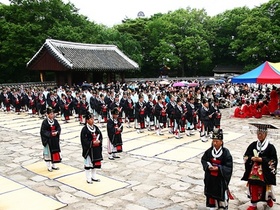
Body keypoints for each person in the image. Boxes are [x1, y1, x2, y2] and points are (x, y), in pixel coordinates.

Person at [241, 123, 278, 210]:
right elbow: (246, 156)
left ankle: (268, 199)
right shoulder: (253, 145)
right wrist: (252, 158)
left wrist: (262, 160)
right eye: (258, 133)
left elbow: (273, 160)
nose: (259, 135)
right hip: (253, 172)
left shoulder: (270, 147)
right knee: (253, 186)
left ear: (266, 134)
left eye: (261, 133)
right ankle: (254, 204)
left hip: (265, 172)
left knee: (266, 187)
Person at [201, 128, 233, 210]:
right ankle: (212, 206)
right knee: (211, 193)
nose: (215, 143)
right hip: (211, 178)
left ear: (221, 142)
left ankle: (222, 206)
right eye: (213, 141)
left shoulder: (226, 153)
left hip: (220, 178)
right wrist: (208, 166)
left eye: (217, 141)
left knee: (221, 194)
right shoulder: (209, 151)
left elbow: (228, 166)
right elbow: (204, 160)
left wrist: (219, 168)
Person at [80, 112, 103, 184]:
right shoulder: (84, 130)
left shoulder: (96, 128)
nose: (92, 120)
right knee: (88, 164)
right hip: (89, 149)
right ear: (87, 120)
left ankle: (94, 176)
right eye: (90, 119)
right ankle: (88, 178)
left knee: (94, 164)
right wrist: (92, 143)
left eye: (93, 118)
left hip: (96, 149)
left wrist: (99, 141)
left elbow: (100, 136)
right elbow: (84, 140)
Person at [40, 107, 62, 172]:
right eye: (51, 114)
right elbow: (43, 131)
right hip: (48, 140)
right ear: (48, 114)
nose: (52, 115)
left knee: (54, 152)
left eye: (53, 114)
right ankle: (49, 166)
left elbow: (58, 128)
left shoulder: (55, 121)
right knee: (48, 153)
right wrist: (50, 134)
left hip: (54, 139)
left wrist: (57, 132)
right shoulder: (45, 122)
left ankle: (54, 165)